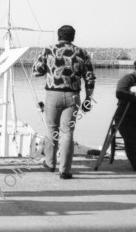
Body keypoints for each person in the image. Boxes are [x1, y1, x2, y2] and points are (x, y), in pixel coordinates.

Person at [32, 25, 95, 180]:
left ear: (58, 36)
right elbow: (90, 78)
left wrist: (51, 69)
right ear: (73, 37)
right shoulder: (82, 53)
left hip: (53, 95)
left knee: (52, 129)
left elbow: (36, 71)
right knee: (68, 132)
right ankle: (65, 170)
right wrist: (88, 98)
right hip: (73, 96)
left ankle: (50, 163)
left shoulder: (49, 50)